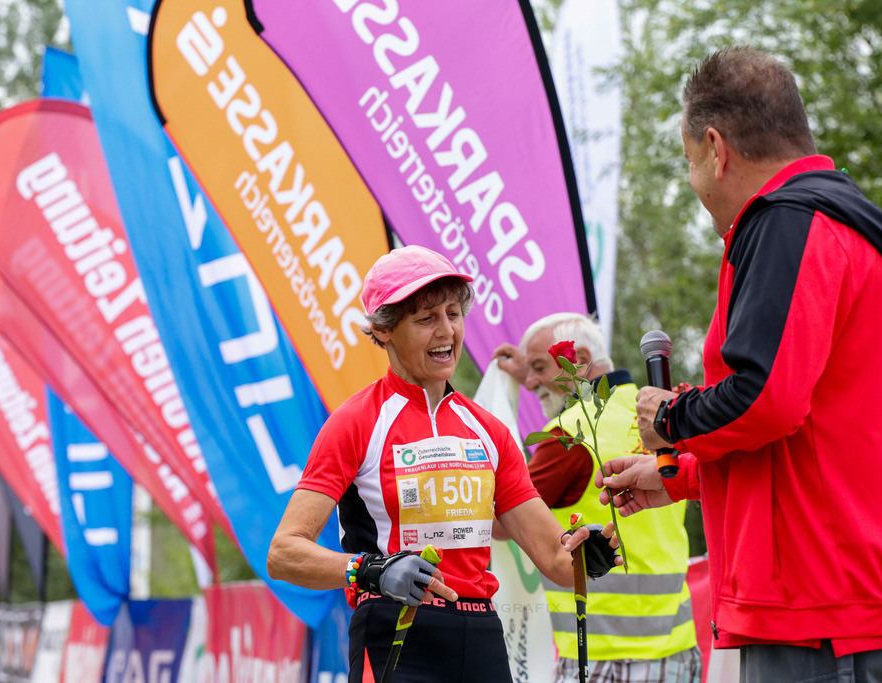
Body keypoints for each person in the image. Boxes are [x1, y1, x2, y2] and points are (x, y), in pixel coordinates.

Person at [599, 46, 882, 682]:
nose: (696, 185)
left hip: (831, 611)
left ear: (716, 149)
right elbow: (824, 428)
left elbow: (765, 396)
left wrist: (674, 419)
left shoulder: (784, 225)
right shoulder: (860, 231)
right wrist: (681, 475)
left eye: (691, 164)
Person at [267, 245, 622, 683]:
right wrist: (370, 570)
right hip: (396, 633)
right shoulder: (356, 422)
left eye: (453, 314)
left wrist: (587, 555)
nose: (446, 331)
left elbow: (554, 558)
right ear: (384, 331)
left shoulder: (487, 430)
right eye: (425, 319)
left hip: (481, 638)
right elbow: (284, 553)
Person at [493, 313, 701, 683]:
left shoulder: (568, 436)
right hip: (679, 648)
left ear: (580, 359)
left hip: (605, 659)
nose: (530, 381)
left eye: (539, 367)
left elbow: (501, 521)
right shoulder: (657, 414)